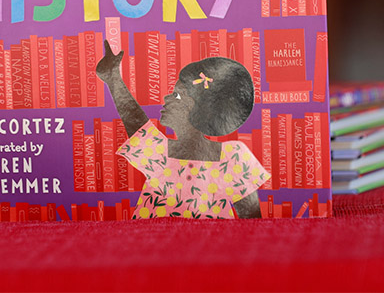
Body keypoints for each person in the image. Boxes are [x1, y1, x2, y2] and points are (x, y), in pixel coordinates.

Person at [95, 41, 269, 219]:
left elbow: (252, 218)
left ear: (201, 109)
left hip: (212, 244)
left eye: (177, 95)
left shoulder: (233, 156)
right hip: (150, 243)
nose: (166, 98)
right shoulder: (161, 152)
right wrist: (113, 78)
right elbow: (136, 123)